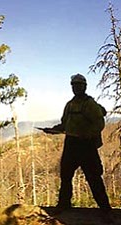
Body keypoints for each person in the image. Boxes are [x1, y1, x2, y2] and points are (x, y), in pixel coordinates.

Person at [42, 74, 111, 211]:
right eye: (74, 85)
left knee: (94, 178)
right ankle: (63, 205)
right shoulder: (69, 105)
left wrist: (87, 134)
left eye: (79, 85)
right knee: (66, 176)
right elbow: (65, 124)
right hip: (71, 144)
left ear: (84, 87)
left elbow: (99, 123)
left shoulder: (90, 104)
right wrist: (54, 130)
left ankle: (105, 208)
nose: (76, 87)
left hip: (87, 145)